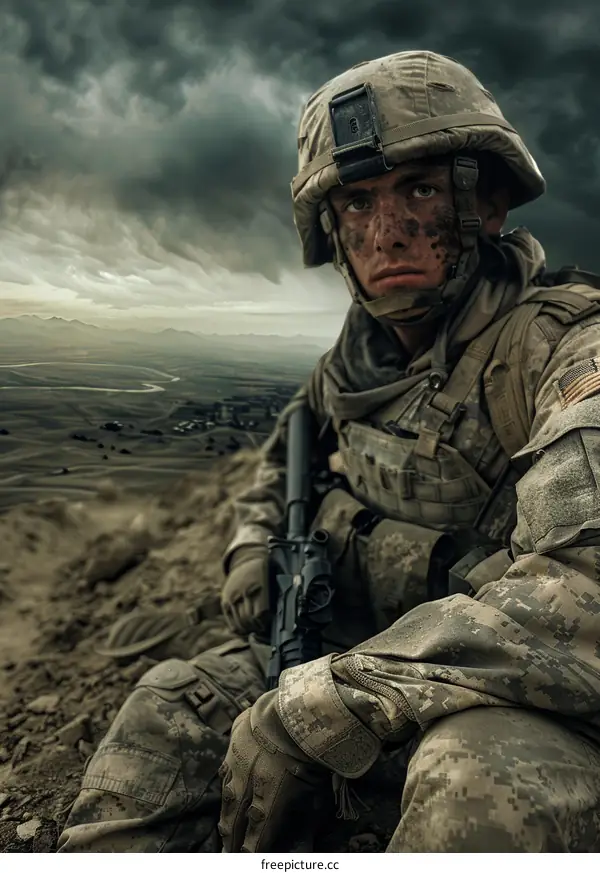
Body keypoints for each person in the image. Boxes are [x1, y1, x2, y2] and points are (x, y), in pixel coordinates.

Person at [58, 50, 600, 853]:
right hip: (351, 654)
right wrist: (253, 551)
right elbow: (281, 466)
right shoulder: (350, 368)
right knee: (172, 708)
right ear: (333, 231)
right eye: (356, 202)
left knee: (475, 781)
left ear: (485, 202)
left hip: (515, 696)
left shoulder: (565, 350)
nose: (386, 231)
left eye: (420, 190)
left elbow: (583, 590)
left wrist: (326, 703)